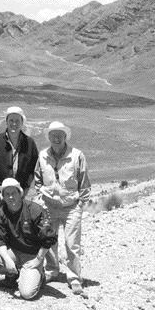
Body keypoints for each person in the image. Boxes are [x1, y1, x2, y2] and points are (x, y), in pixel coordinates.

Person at [34, 121, 91, 295]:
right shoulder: (43, 156)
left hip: (71, 206)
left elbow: (84, 181)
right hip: (49, 205)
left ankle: (74, 277)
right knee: (49, 240)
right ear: (49, 137)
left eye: (60, 135)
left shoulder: (76, 155)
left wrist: (81, 204)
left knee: (72, 243)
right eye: (53, 135)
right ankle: (52, 270)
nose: (56, 138)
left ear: (65, 137)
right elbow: (37, 179)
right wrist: (41, 199)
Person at [0, 178, 57, 300]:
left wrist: (39, 259)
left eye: (13, 193)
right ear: (3, 196)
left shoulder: (34, 210)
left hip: (33, 256)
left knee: (27, 294)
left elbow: (49, 237)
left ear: (20, 193)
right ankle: (12, 276)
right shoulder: (0, 212)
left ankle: (40, 276)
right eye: (7, 194)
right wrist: (7, 260)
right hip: (14, 252)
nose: (10, 197)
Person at [0, 106, 39, 260]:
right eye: (11, 120)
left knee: (14, 225)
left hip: (18, 194)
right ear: (6, 122)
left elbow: (32, 169)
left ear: (22, 123)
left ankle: (11, 258)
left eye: (17, 121)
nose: (14, 124)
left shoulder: (29, 143)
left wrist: (26, 188)